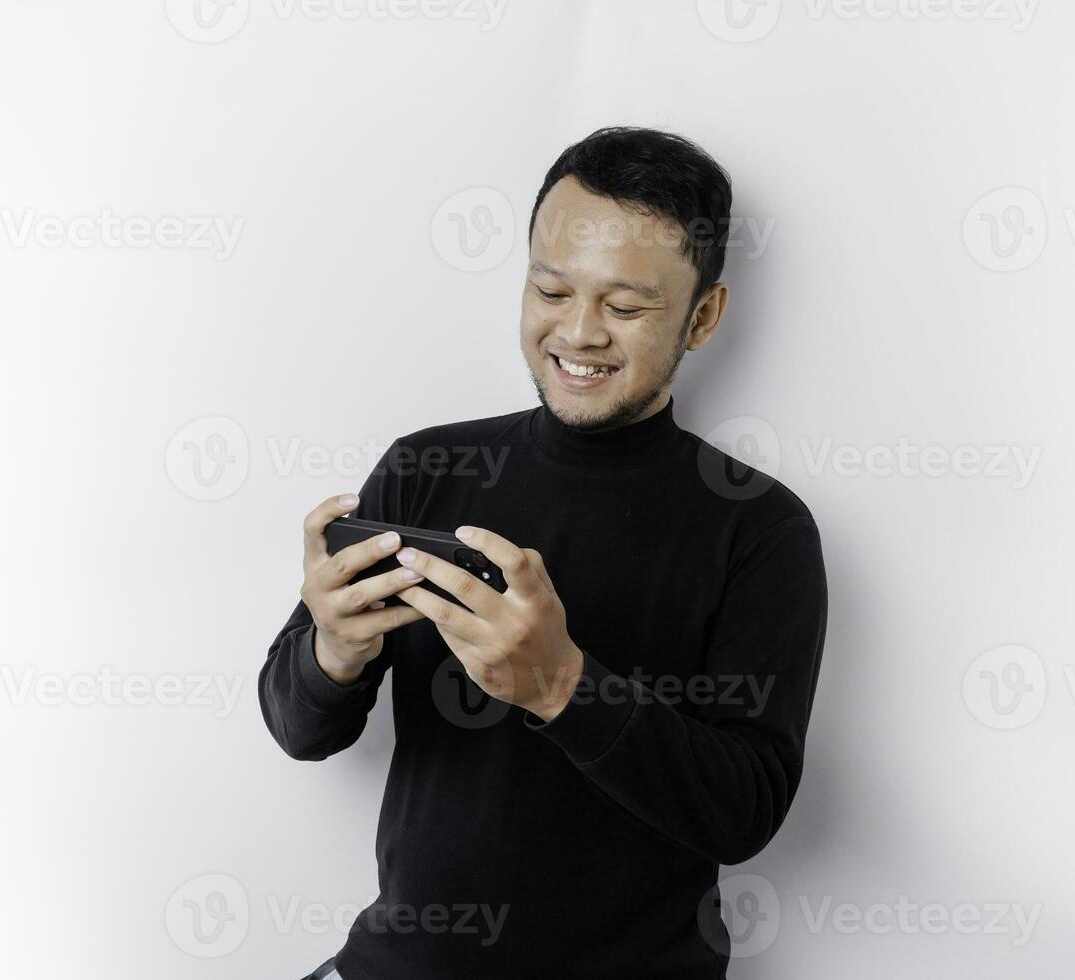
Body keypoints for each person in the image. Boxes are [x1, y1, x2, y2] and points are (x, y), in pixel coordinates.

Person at [263, 125, 829, 980]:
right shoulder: (427, 468)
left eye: (626, 307)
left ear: (703, 317)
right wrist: (332, 650)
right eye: (550, 289)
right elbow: (298, 730)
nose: (579, 332)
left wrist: (562, 683)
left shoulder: (760, 529)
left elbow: (744, 812)